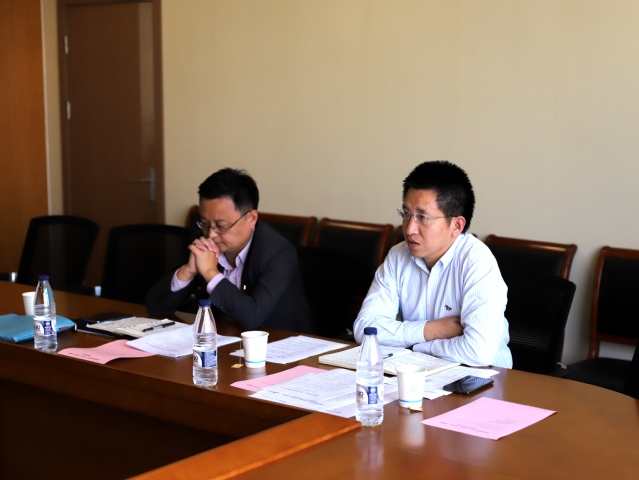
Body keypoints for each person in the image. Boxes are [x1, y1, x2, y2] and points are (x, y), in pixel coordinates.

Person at [354, 161, 512, 368]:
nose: (409, 229)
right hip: (417, 373)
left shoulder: (477, 262)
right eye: (406, 214)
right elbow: (364, 330)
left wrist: (416, 346)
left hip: (481, 376)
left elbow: (478, 352)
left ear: (456, 225)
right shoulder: (398, 255)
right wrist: (432, 330)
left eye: (423, 217)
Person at [146, 168, 314, 334]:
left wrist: (210, 273)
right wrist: (187, 271)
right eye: (204, 223)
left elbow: (252, 317)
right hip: (225, 340)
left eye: (221, 226)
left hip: (280, 343)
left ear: (251, 218)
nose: (211, 234)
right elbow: (156, 307)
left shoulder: (278, 253)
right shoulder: (202, 243)